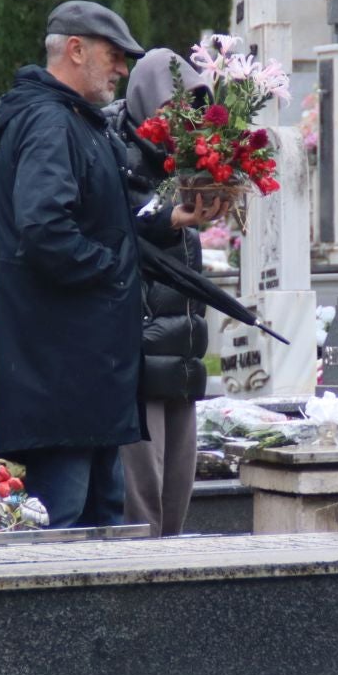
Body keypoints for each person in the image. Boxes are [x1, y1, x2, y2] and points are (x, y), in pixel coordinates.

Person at [0, 1, 148, 526]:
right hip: (63, 375)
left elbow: (98, 222)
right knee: (64, 530)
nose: (122, 69)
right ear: (76, 50)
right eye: (114, 55)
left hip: (86, 377)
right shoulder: (50, 122)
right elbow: (45, 231)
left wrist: (162, 224)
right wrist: (111, 270)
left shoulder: (75, 121)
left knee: (103, 527)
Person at [107, 48, 229, 536]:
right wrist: (168, 217)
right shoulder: (116, 150)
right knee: (143, 501)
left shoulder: (187, 161)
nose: (184, 120)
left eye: (194, 108)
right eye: (172, 107)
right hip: (139, 351)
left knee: (177, 492)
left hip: (181, 349)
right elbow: (119, 222)